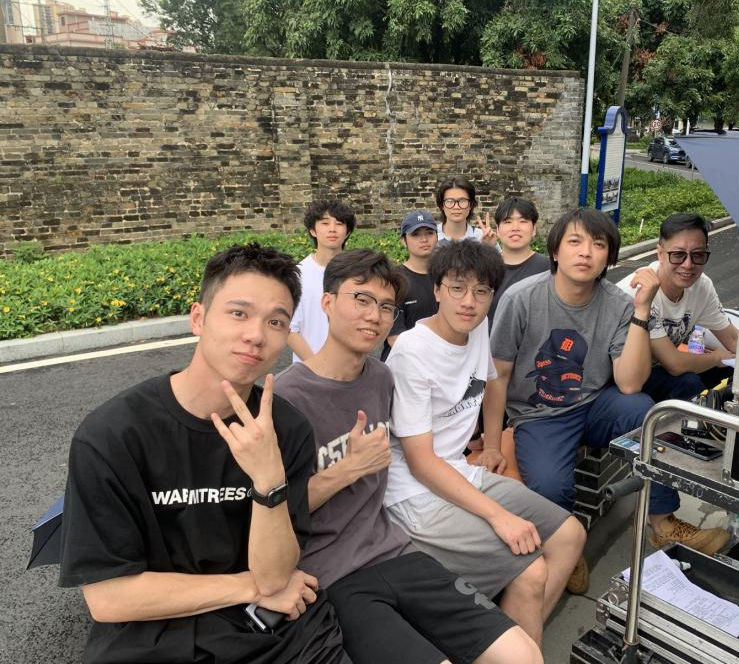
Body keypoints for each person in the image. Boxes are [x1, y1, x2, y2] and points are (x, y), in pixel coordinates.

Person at [59, 244, 349, 664]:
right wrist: (246, 586)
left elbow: (275, 576)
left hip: (274, 633)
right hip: (152, 640)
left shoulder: (287, 429)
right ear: (198, 318)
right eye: (239, 313)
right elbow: (108, 598)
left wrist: (269, 481)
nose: (256, 335)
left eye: (276, 321)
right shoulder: (112, 435)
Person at [275, 249, 542, 664]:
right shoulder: (285, 399)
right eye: (361, 299)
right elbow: (268, 512)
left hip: (394, 550)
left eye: (386, 307)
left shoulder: (381, 378)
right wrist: (346, 470)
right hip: (330, 574)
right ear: (327, 302)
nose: (374, 316)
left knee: (523, 654)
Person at [485, 208, 730, 560]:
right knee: (550, 487)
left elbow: (629, 384)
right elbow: (497, 376)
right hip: (540, 415)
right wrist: (492, 444)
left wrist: (641, 311)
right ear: (555, 251)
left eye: (598, 245)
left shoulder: (619, 304)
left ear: (609, 258)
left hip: (595, 404)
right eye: (575, 242)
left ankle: (661, 521)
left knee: (644, 412)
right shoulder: (521, 299)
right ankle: (565, 550)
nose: (586, 252)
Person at [384, 240, 585, 645]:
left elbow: (490, 383)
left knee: (570, 534)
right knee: (530, 570)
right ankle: (518, 647)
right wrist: (498, 516)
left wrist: (492, 445)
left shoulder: (477, 328)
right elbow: (420, 462)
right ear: (437, 289)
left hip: (458, 472)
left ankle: (518, 644)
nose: (469, 302)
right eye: (457, 288)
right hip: (413, 495)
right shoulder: (411, 352)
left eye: (481, 291)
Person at [616, 213, 738, 404]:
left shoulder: (701, 285)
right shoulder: (639, 291)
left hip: (658, 369)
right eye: (678, 255)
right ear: (660, 253)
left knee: (734, 370)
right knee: (689, 384)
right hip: (620, 377)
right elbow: (674, 363)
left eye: (697, 255)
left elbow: (732, 338)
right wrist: (716, 358)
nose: (688, 265)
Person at [288, 198, 356, 363]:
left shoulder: (357, 274)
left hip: (349, 367)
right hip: (308, 368)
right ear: (313, 230)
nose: (332, 229)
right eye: (325, 223)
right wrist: (317, 365)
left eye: (339, 224)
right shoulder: (297, 274)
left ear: (347, 232)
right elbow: (290, 329)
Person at [382, 210, 438, 359]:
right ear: (403, 240)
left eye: (429, 233)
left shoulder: (446, 276)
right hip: (405, 361)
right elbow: (395, 338)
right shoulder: (394, 280)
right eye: (416, 234)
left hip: (442, 361)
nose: (424, 239)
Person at [488, 196, 550, 327]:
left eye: (523, 221)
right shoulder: (484, 268)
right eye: (508, 221)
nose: (515, 227)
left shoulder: (549, 268)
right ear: (497, 230)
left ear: (534, 229)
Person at [435, 176, 498, 246]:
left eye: (462, 201)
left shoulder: (482, 237)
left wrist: (489, 248)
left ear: (471, 205)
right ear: (442, 205)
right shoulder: (432, 235)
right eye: (450, 201)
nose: (456, 207)